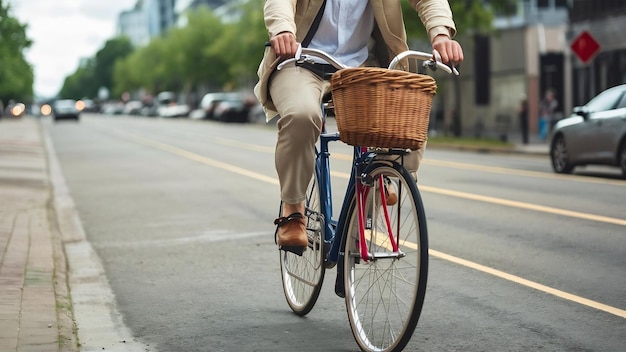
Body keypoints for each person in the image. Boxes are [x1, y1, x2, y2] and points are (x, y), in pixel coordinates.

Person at [254, 0, 464, 254]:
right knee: (302, 115)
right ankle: (293, 210)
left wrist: (440, 34)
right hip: (300, 61)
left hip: (361, 68)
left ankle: (374, 192)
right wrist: (283, 31)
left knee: (407, 119)